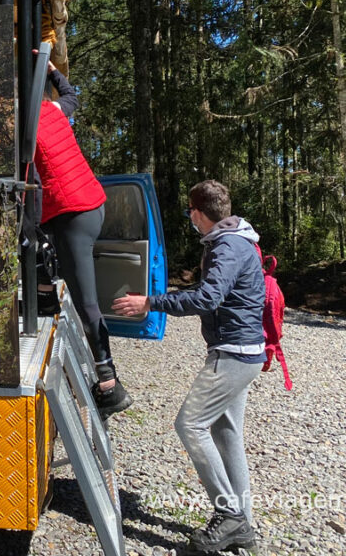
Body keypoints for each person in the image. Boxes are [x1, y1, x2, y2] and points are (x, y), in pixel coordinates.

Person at [113, 179, 265, 554]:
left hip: (233, 354)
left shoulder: (228, 245)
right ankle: (241, 523)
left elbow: (208, 297)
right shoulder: (236, 240)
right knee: (227, 433)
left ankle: (229, 515)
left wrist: (150, 302)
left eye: (190, 214)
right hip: (244, 352)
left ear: (198, 212)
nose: (191, 221)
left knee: (190, 424)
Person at [34, 61, 129, 416]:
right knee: (36, 241)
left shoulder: (26, 124)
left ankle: (109, 384)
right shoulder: (55, 110)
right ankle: (45, 299)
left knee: (86, 300)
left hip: (72, 212)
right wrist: (54, 69)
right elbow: (72, 94)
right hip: (93, 204)